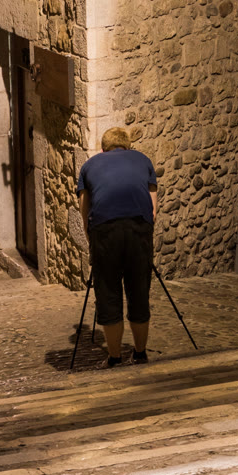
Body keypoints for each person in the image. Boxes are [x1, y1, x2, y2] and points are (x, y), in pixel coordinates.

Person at [76, 127, 157, 367]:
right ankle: (140, 354)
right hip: (139, 229)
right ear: (128, 146)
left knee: (108, 292)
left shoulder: (89, 166)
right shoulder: (143, 161)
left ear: (103, 148)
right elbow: (153, 210)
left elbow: (84, 210)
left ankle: (114, 357)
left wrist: (92, 240)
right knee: (139, 291)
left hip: (105, 231)